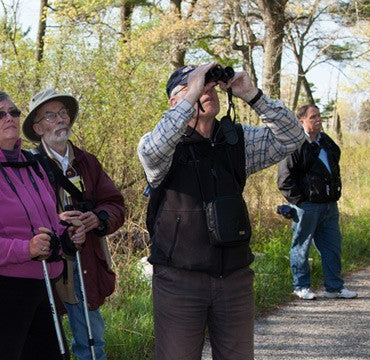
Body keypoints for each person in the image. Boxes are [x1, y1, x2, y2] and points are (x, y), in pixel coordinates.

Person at [137, 62, 305, 359]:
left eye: (210, 86)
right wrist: (192, 93)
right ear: (175, 101)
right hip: (179, 280)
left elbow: (292, 137)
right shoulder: (160, 144)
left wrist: (253, 96)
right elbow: (153, 151)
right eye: (196, 88)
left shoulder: (236, 140)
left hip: (235, 279)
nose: (206, 91)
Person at [0, 89, 84, 359]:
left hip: (40, 283)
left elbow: (47, 221)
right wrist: (26, 249)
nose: (10, 118)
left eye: (14, 112)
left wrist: (65, 236)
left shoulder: (34, 165)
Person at [24, 88, 125, 360]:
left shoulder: (87, 161)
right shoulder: (27, 165)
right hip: (45, 264)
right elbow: (20, 215)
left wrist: (99, 218)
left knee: (92, 341)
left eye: (63, 113)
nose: (60, 120)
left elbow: (115, 203)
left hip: (86, 264)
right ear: (37, 127)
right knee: (48, 344)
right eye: (50, 115)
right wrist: (55, 222)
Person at [277, 104, 357, 301]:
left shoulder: (325, 142)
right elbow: (284, 179)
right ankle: (301, 286)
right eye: (313, 117)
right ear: (301, 121)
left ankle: (334, 288)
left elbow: (335, 163)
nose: (318, 120)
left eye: (319, 116)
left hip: (329, 205)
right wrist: (300, 202)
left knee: (332, 247)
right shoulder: (294, 144)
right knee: (301, 247)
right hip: (307, 207)